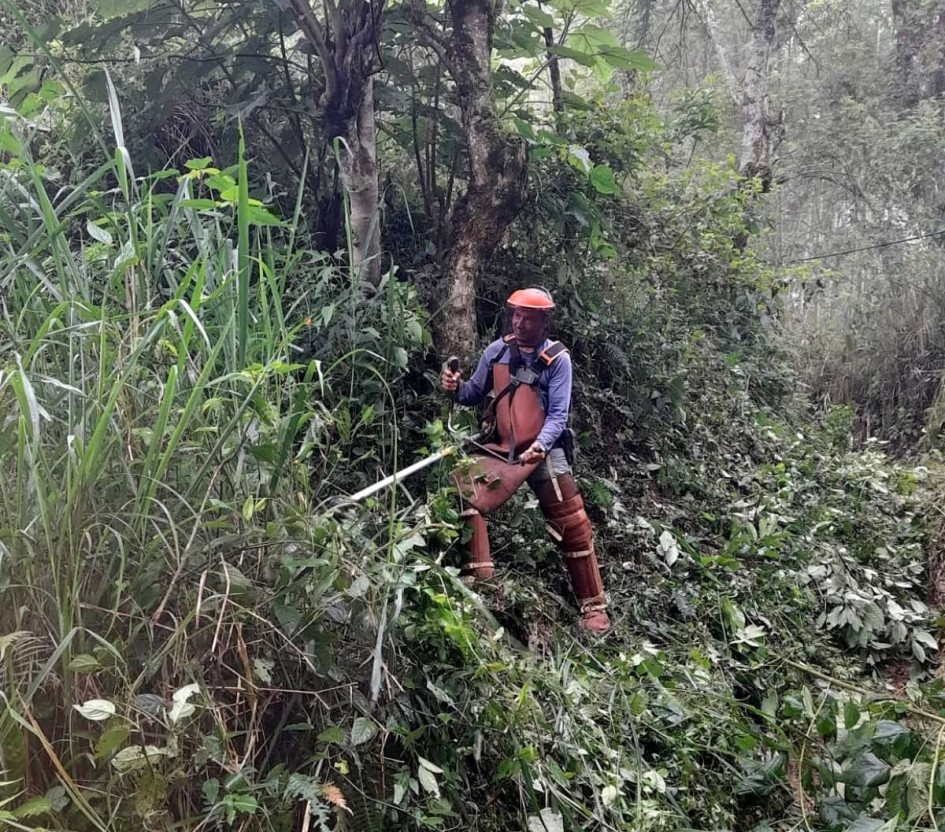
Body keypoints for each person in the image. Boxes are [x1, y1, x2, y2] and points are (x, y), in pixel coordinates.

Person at [440, 287, 610, 634]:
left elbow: (558, 415)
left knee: (573, 525)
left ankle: (594, 608)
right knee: (466, 492)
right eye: (516, 315)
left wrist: (541, 446)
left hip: (544, 450)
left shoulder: (557, 359)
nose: (520, 322)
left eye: (528, 318)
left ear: (544, 321)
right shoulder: (497, 351)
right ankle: (482, 583)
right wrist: (454, 387)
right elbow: (472, 393)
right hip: (502, 448)